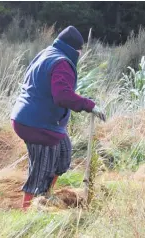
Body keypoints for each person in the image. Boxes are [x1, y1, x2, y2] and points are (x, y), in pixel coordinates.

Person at [11, 26, 106, 210]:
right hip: (36, 124)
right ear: (76, 50)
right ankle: (28, 210)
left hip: (34, 120)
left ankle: (46, 196)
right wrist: (90, 105)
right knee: (42, 169)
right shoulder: (62, 62)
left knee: (63, 153)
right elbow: (62, 96)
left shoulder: (48, 53)